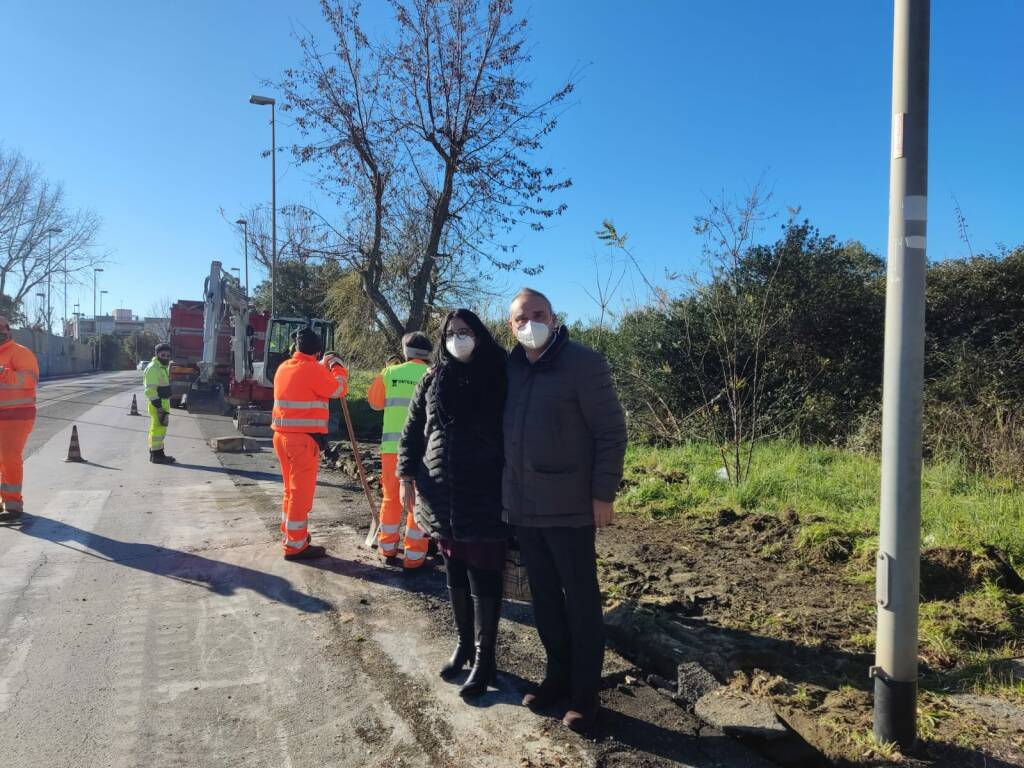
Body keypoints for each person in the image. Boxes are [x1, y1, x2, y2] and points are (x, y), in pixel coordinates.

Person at [503, 288, 627, 733]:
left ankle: (584, 695)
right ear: (510, 326)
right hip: (523, 508)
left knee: (581, 604)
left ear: (554, 319)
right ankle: (556, 678)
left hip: (572, 508)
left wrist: (603, 494)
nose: (530, 323)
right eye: (521, 318)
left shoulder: (584, 363)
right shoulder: (512, 367)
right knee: (545, 603)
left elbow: (611, 433)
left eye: (538, 315)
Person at [397, 309, 509, 698]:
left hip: (485, 493)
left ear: (479, 334)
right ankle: (463, 645)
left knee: (483, 574)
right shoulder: (432, 378)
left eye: (465, 332)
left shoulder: (501, 374)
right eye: (451, 333)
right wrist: (405, 475)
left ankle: (485, 657)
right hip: (440, 494)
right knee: (454, 572)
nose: (458, 338)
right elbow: (411, 430)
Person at [272, 326, 349, 560]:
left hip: (281, 437)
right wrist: (337, 367)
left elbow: (311, 381)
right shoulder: (313, 370)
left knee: (289, 490)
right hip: (303, 441)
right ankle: (296, 545)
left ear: (296, 347)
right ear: (317, 352)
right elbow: (339, 389)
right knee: (300, 493)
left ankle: (290, 534)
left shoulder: (284, 367)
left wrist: (321, 365)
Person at [367, 332, 433, 568]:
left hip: (392, 450)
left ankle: (387, 548)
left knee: (391, 498)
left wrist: (387, 372)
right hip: (424, 453)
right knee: (420, 501)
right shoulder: (433, 375)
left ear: (406, 352)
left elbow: (375, 403)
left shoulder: (390, 373)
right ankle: (415, 556)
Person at [0, 316, 39, 522]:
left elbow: (30, 380)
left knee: (9, 457)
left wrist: (5, 374)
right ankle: (4, 501)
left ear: (9, 330)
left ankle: (13, 506)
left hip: (17, 414)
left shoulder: (20, 353)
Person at [143, 343, 176, 464]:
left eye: (168, 355)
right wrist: (159, 407)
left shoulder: (161, 367)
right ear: (156, 354)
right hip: (158, 404)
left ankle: (159, 454)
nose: (166, 357)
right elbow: (150, 390)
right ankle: (156, 456)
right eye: (163, 355)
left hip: (162, 403)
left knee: (160, 430)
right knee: (157, 430)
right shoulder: (153, 368)